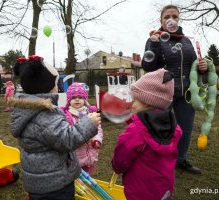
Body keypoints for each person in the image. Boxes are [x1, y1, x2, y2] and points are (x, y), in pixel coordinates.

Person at [8, 55, 101, 200]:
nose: (58, 87)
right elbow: (67, 139)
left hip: (40, 179)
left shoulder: (29, 110)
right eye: (56, 84)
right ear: (47, 87)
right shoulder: (43, 115)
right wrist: (89, 123)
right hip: (54, 184)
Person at [141, 4, 207, 174]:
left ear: (179, 19)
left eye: (175, 16)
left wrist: (201, 67)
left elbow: (192, 65)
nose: (171, 19)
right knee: (162, 130)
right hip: (164, 94)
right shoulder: (154, 39)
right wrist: (154, 45)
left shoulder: (186, 41)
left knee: (185, 129)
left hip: (186, 94)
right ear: (161, 20)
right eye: (167, 16)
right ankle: (159, 161)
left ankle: (180, 159)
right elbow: (147, 66)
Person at [112, 69, 182, 200]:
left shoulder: (134, 132)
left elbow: (120, 161)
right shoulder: (173, 126)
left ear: (146, 102)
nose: (131, 103)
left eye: (134, 100)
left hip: (140, 192)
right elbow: (147, 127)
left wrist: (116, 167)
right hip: (164, 190)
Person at [61, 82, 103, 176]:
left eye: (80, 97)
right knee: (78, 182)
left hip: (90, 156)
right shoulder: (67, 116)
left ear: (85, 99)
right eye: (73, 97)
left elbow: (98, 129)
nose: (77, 100)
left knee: (90, 180)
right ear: (68, 100)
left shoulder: (91, 114)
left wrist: (97, 140)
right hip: (76, 158)